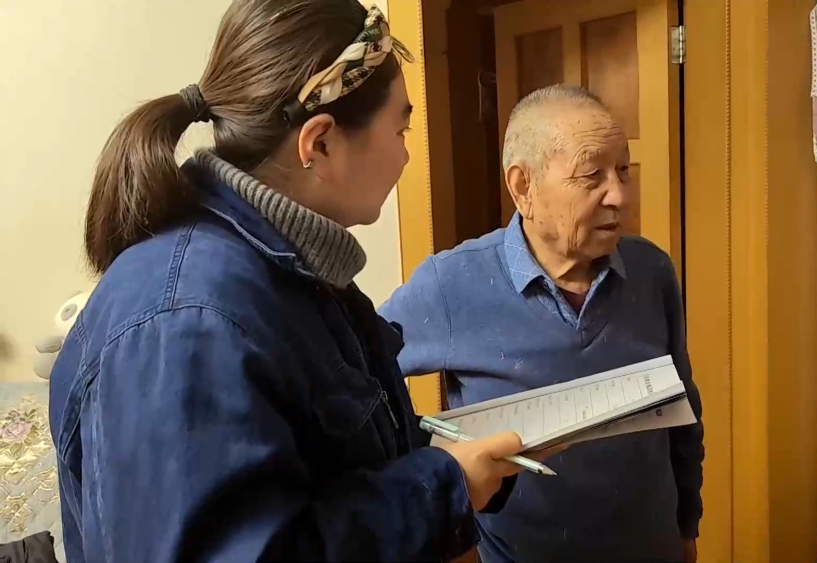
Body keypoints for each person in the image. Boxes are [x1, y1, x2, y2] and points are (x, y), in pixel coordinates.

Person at [48, 1, 535, 561]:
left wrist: (462, 461)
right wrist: (441, 490)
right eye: (401, 128)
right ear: (320, 142)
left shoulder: (295, 276)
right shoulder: (186, 322)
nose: (406, 155)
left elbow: (334, 463)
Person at [379, 84, 704, 563]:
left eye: (623, 171)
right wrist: (434, 473)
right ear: (523, 187)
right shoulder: (451, 283)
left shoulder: (651, 270)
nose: (619, 195)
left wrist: (687, 523)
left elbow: (684, 408)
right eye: (592, 175)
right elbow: (356, 381)